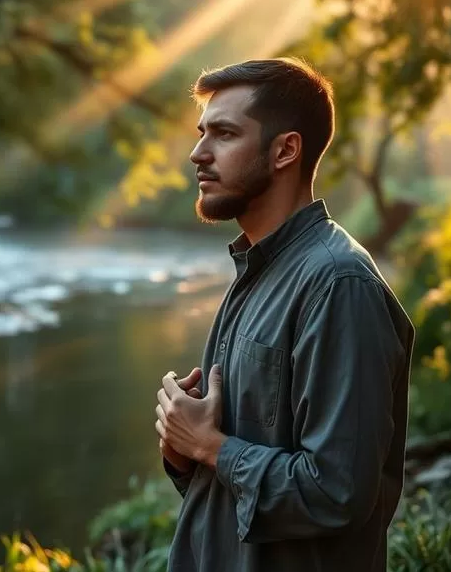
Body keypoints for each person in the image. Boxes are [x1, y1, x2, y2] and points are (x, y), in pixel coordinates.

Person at [154, 57, 415, 572]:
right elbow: (232, 483)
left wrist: (212, 447)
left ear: (285, 150)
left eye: (223, 134)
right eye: (201, 132)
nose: (197, 154)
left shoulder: (339, 285)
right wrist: (184, 452)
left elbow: (338, 491)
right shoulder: (256, 270)